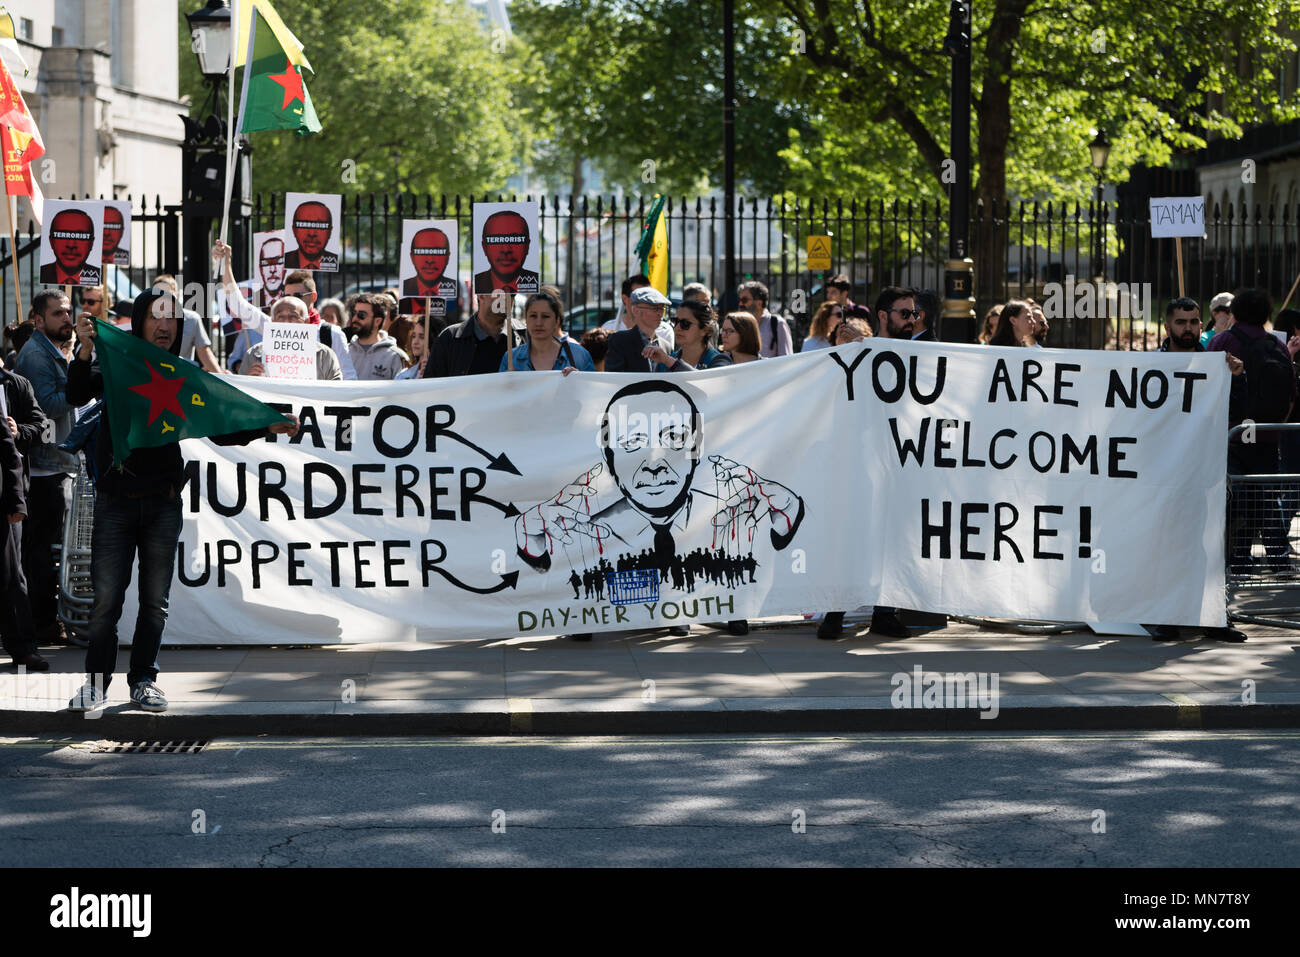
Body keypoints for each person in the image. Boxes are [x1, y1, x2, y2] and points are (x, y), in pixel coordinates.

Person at [66, 292, 299, 712]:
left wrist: (267, 423)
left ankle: (143, 680)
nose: (165, 326)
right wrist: (84, 351)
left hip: (163, 503)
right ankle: (95, 685)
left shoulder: (183, 372)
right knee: (106, 602)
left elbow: (221, 422)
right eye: (156, 317)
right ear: (139, 322)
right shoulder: (116, 361)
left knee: (155, 602)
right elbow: (75, 393)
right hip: (115, 502)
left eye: (172, 318)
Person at [515, 379, 806, 641]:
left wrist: (790, 507)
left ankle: (683, 613)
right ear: (608, 454)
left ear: (696, 447)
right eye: (632, 442)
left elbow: (783, 522)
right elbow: (541, 558)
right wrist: (526, 534)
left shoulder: (730, 496)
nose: (654, 463)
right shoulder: (582, 514)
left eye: (674, 439)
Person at [1209, 287, 1299, 575]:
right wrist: (1272, 427)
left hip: (1231, 434)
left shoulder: (1222, 341)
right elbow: (1291, 394)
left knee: (1239, 498)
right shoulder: (1278, 346)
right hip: (1266, 435)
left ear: (1235, 313)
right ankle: (1279, 560)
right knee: (1264, 496)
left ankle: (1240, 561)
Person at [14, 291, 79, 645]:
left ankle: (44, 620)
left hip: (54, 463)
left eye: (68, 312)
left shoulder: (51, 350)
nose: (66, 319)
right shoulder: (38, 356)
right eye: (58, 314)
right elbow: (47, 406)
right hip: (44, 468)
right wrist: (82, 385)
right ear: (39, 320)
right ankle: (43, 623)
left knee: (46, 549)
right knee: (41, 551)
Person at [215, 242, 357, 379]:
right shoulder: (275, 327)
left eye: (297, 296)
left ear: (313, 297)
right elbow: (237, 305)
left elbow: (348, 378)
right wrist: (226, 262)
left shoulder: (331, 334)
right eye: (286, 296)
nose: (289, 301)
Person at [0, 356, 48, 671]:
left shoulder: (14, 385)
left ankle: (23, 648)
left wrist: (21, 432)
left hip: (5, 497)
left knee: (11, 576)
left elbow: (41, 426)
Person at [238, 296, 344, 380]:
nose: (286, 322)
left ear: (306, 322)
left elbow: (336, 395)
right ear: (272, 322)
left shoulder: (324, 356)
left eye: (293, 317)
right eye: (280, 317)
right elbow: (240, 397)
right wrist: (249, 380)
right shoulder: (253, 355)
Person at [423, 290, 512, 378]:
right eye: (500, 292)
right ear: (481, 295)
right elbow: (431, 388)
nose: (508, 297)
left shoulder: (523, 335)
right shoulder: (448, 339)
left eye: (513, 293)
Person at [500, 290, 594, 373]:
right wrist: (506, 384)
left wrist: (580, 380)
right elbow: (500, 393)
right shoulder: (511, 359)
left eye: (545, 316)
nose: (539, 323)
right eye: (533, 316)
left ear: (557, 321)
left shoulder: (579, 356)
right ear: (526, 319)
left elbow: (593, 391)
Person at [149, 274, 221, 374]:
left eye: (167, 293)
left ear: (176, 294)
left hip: (180, 378)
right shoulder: (146, 319)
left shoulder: (192, 319)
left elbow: (204, 352)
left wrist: (222, 380)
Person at [644, 300, 731, 371]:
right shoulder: (665, 362)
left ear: (704, 330)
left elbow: (704, 385)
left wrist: (670, 362)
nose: (677, 328)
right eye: (675, 321)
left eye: (685, 323)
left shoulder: (719, 360)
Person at [606, 286, 674, 372]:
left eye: (662, 308)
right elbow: (615, 378)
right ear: (636, 310)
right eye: (655, 309)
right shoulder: (619, 341)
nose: (660, 313)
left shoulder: (666, 346)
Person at [601, 274, 675, 349]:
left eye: (649, 298)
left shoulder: (664, 331)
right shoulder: (608, 328)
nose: (646, 301)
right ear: (625, 299)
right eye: (639, 297)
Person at [474, 209, 538, 294]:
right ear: (484, 247)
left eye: (515, 239)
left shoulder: (535, 283)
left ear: (527, 246)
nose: (506, 250)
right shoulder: (478, 283)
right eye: (496, 240)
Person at [347, 293, 408, 380]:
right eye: (354, 313)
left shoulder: (395, 356)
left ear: (377, 321)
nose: (355, 319)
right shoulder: (344, 352)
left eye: (361, 315)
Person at [40, 208, 101, 286]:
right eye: (62, 235)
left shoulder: (100, 276)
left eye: (80, 236)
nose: (71, 245)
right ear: (51, 241)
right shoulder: (43, 273)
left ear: (91, 243)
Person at [738, 281, 793, 357]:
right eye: (739, 300)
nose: (740, 304)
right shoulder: (739, 325)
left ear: (759, 303)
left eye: (744, 300)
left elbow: (786, 359)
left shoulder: (777, 324)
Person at [403, 226, 457, 299]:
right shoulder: (405, 287)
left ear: (447, 257)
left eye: (438, 252)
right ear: (412, 257)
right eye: (422, 252)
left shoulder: (455, 287)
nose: (430, 260)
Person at [284, 200, 338, 270]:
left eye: (320, 225)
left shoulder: (336, 262)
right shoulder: (284, 260)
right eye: (304, 224)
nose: (312, 233)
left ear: (330, 231)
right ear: (294, 230)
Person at [256, 234, 286, 306]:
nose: (272, 269)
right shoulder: (253, 299)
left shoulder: (293, 297)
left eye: (279, 262)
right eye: (266, 263)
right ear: (260, 268)